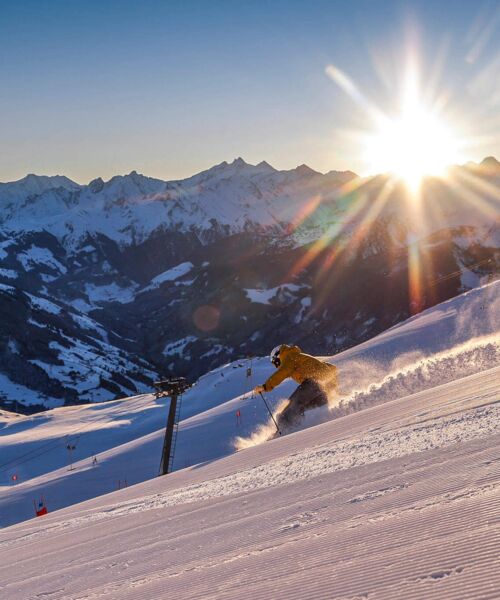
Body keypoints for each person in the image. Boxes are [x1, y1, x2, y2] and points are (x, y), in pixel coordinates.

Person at [254, 344, 337, 430]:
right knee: (308, 410)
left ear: (278, 356)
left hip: (313, 384)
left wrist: (265, 387)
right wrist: (333, 390)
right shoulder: (297, 356)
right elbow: (331, 368)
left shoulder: (289, 356)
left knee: (292, 407)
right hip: (322, 388)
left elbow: (283, 372)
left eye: (275, 363)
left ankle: (284, 430)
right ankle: (300, 430)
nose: (276, 366)